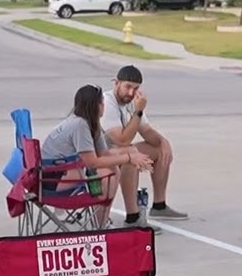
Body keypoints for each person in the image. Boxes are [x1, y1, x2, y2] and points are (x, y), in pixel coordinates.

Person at [41, 85, 154, 225]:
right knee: (107, 175)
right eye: (101, 102)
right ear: (95, 106)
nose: (104, 105)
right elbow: (92, 163)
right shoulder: (80, 125)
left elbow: (104, 153)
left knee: (114, 167)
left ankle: (102, 221)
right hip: (51, 179)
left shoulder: (91, 123)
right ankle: (100, 224)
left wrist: (132, 153)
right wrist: (129, 158)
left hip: (60, 170)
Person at [100, 65, 187, 224]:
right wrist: (138, 112)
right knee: (132, 155)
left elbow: (147, 133)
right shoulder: (107, 102)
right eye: (127, 87)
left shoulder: (133, 102)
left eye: (136, 88)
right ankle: (133, 217)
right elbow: (122, 140)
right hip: (100, 157)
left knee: (160, 149)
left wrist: (163, 142)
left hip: (120, 152)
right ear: (116, 83)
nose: (131, 93)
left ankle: (159, 206)